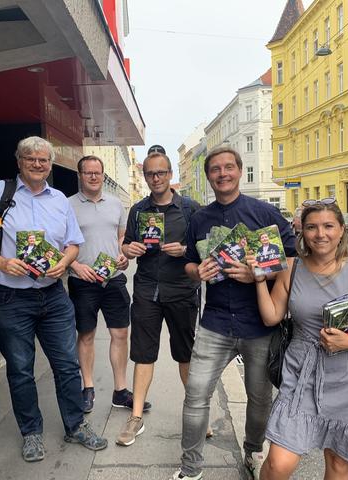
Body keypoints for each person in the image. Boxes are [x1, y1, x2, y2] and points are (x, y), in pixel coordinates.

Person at [0, 137, 107, 462]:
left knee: (68, 365)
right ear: (19, 161)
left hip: (53, 296)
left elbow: (74, 242)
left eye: (43, 160)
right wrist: (3, 263)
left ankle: (76, 425)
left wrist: (66, 260)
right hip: (9, 298)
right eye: (30, 158)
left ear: (50, 164)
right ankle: (31, 432)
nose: (37, 164)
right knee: (20, 370)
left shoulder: (60, 199)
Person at [173, 147, 296, 480]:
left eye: (229, 167)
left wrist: (260, 275)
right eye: (216, 169)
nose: (222, 173)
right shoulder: (199, 218)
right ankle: (190, 467)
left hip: (258, 324)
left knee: (259, 399)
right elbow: (186, 261)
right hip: (214, 323)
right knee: (196, 394)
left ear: (240, 172)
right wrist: (196, 272)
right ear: (210, 175)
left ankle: (253, 451)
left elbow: (292, 259)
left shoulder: (263, 213)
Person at [251, 199, 348, 480]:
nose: (321, 234)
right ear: (301, 231)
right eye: (312, 227)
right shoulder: (291, 268)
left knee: (339, 465)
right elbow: (272, 317)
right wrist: (258, 281)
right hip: (301, 372)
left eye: (329, 226)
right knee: (279, 463)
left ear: (341, 229)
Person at [116, 150, 201, 447]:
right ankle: (136, 416)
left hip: (181, 290)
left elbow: (203, 251)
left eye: (161, 173)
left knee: (185, 354)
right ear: (145, 176)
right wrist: (129, 250)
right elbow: (125, 246)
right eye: (150, 174)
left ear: (170, 174)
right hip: (146, 291)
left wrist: (185, 251)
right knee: (142, 353)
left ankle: (196, 415)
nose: (155, 178)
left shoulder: (190, 208)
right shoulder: (138, 210)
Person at [68, 155, 147, 415]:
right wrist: (74, 266)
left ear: (103, 175)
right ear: (80, 175)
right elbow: (59, 244)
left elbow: (122, 237)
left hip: (113, 279)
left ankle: (120, 391)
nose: (93, 176)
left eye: (97, 172)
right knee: (86, 335)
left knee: (120, 334)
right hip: (83, 281)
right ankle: (88, 387)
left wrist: (124, 255)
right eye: (88, 172)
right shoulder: (67, 206)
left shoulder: (116, 204)